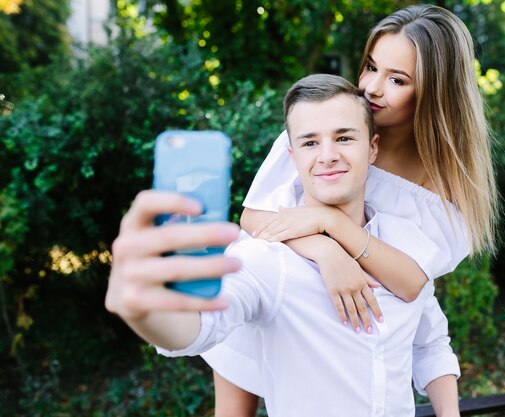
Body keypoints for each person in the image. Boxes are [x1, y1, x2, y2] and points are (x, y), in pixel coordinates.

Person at [105, 73, 460, 417]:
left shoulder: (404, 245)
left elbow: (429, 343)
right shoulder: (265, 259)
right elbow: (195, 329)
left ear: (372, 149)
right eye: (310, 142)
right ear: (291, 157)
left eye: (344, 138)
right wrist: (146, 309)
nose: (327, 155)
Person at [205, 3, 499, 417]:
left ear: (434, 92)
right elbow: (253, 219)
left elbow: (412, 283)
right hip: (271, 292)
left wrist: (330, 224)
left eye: (397, 79)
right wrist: (325, 252)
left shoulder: (446, 185)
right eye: (371, 67)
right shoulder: (330, 126)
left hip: (352, 325)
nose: (372, 88)